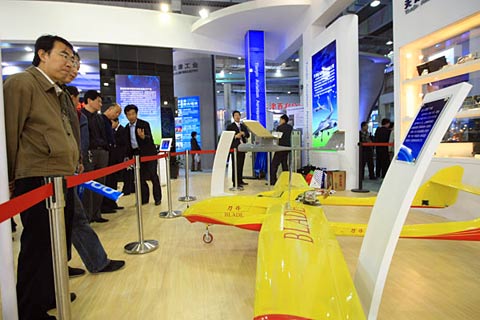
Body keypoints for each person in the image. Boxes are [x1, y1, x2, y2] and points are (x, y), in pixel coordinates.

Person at [4, 34, 78, 320]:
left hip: (61, 178)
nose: (69, 62)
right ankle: (30, 308)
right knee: (38, 246)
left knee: (58, 242)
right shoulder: (22, 84)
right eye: (63, 55)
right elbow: (10, 133)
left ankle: (50, 292)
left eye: (72, 57)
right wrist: (8, 180)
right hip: (37, 178)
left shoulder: (58, 91)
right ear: (42, 54)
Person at [63, 54, 125, 276]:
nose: (72, 67)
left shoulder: (92, 117)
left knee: (75, 217)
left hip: (73, 165)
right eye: (66, 58)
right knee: (66, 220)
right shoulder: (25, 88)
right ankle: (56, 274)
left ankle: (91, 261)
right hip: (51, 173)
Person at [81, 90, 110, 223]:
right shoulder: (81, 116)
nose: (100, 104)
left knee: (100, 184)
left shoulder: (99, 118)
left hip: (102, 152)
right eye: (98, 101)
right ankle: (87, 216)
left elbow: (104, 134)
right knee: (89, 186)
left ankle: (96, 214)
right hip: (88, 153)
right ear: (89, 100)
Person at [124, 104, 162, 205]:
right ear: (126, 116)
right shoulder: (126, 128)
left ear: (136, 114)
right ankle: (144, 199)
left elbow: (150, 138)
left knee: (153, 175)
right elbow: (128, 144)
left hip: (149, 153)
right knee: (140, 178)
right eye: (129, 114)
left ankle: (157, 198)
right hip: (137, 154)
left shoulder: (144, 124)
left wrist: (143, 137)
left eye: (133, 114)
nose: (131, 116)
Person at [102, 116, 128, 212]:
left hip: (117, 160)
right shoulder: (111, 132)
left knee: (113, 182)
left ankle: (112, 203)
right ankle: (109, 204)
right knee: (110, 182)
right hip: (111, 160)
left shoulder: (122, 130)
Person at [226, 110, 250, 188]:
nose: (237, 117)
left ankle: (240, 180)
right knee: (235, 165)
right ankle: (235, 182)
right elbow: (228, 136)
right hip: (235, 148)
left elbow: (248, 135)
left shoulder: (243, 126)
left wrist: (244, 133)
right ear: (233, 117)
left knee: (241, 164)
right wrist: (235, 136)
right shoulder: (230, 126)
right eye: (236, 115)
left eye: (238, 115)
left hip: (242, 147)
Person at [270, 114, 293, 185]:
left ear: (283, 120)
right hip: (287, 149)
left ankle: (273, 181)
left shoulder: (279, 127)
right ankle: (286, 181)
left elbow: (277, 137)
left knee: (274, 165)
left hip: (280, 148)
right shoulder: (290, 127)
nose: (279, 121)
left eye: (280, 120)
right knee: (284, 164)